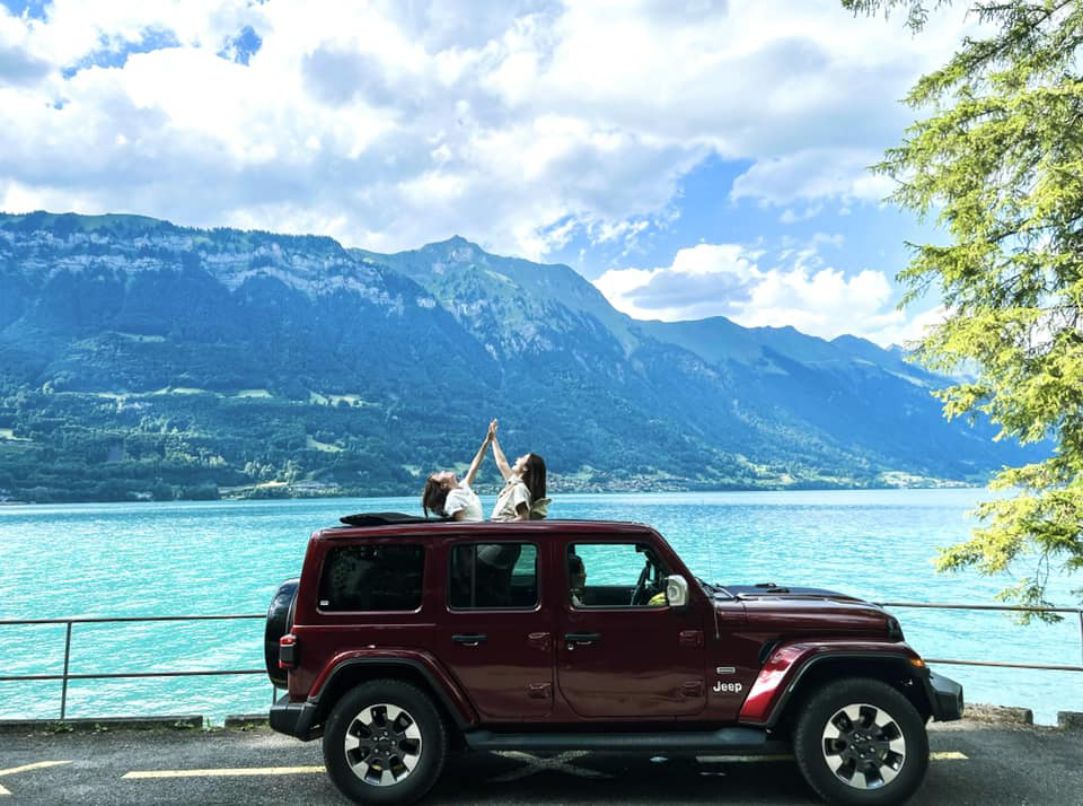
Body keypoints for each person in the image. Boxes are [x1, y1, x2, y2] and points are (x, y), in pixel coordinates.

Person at [421, 424, 493, 521]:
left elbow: (474, 466)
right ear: (443, 485)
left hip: (478, 531)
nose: (442, 471)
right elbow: (460, 526)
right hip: (473, 534)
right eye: (439, 475)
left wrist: (487, 441)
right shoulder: (453, 497)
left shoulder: (463, 488)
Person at [489, 420, 548, 521]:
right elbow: (502, 463)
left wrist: (503, 526)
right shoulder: (515, 483)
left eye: (522, 458)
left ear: (525, 468)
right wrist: (493, 439)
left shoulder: (520, 488)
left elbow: (523, 517)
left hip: (500, 531)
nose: (518, 459)